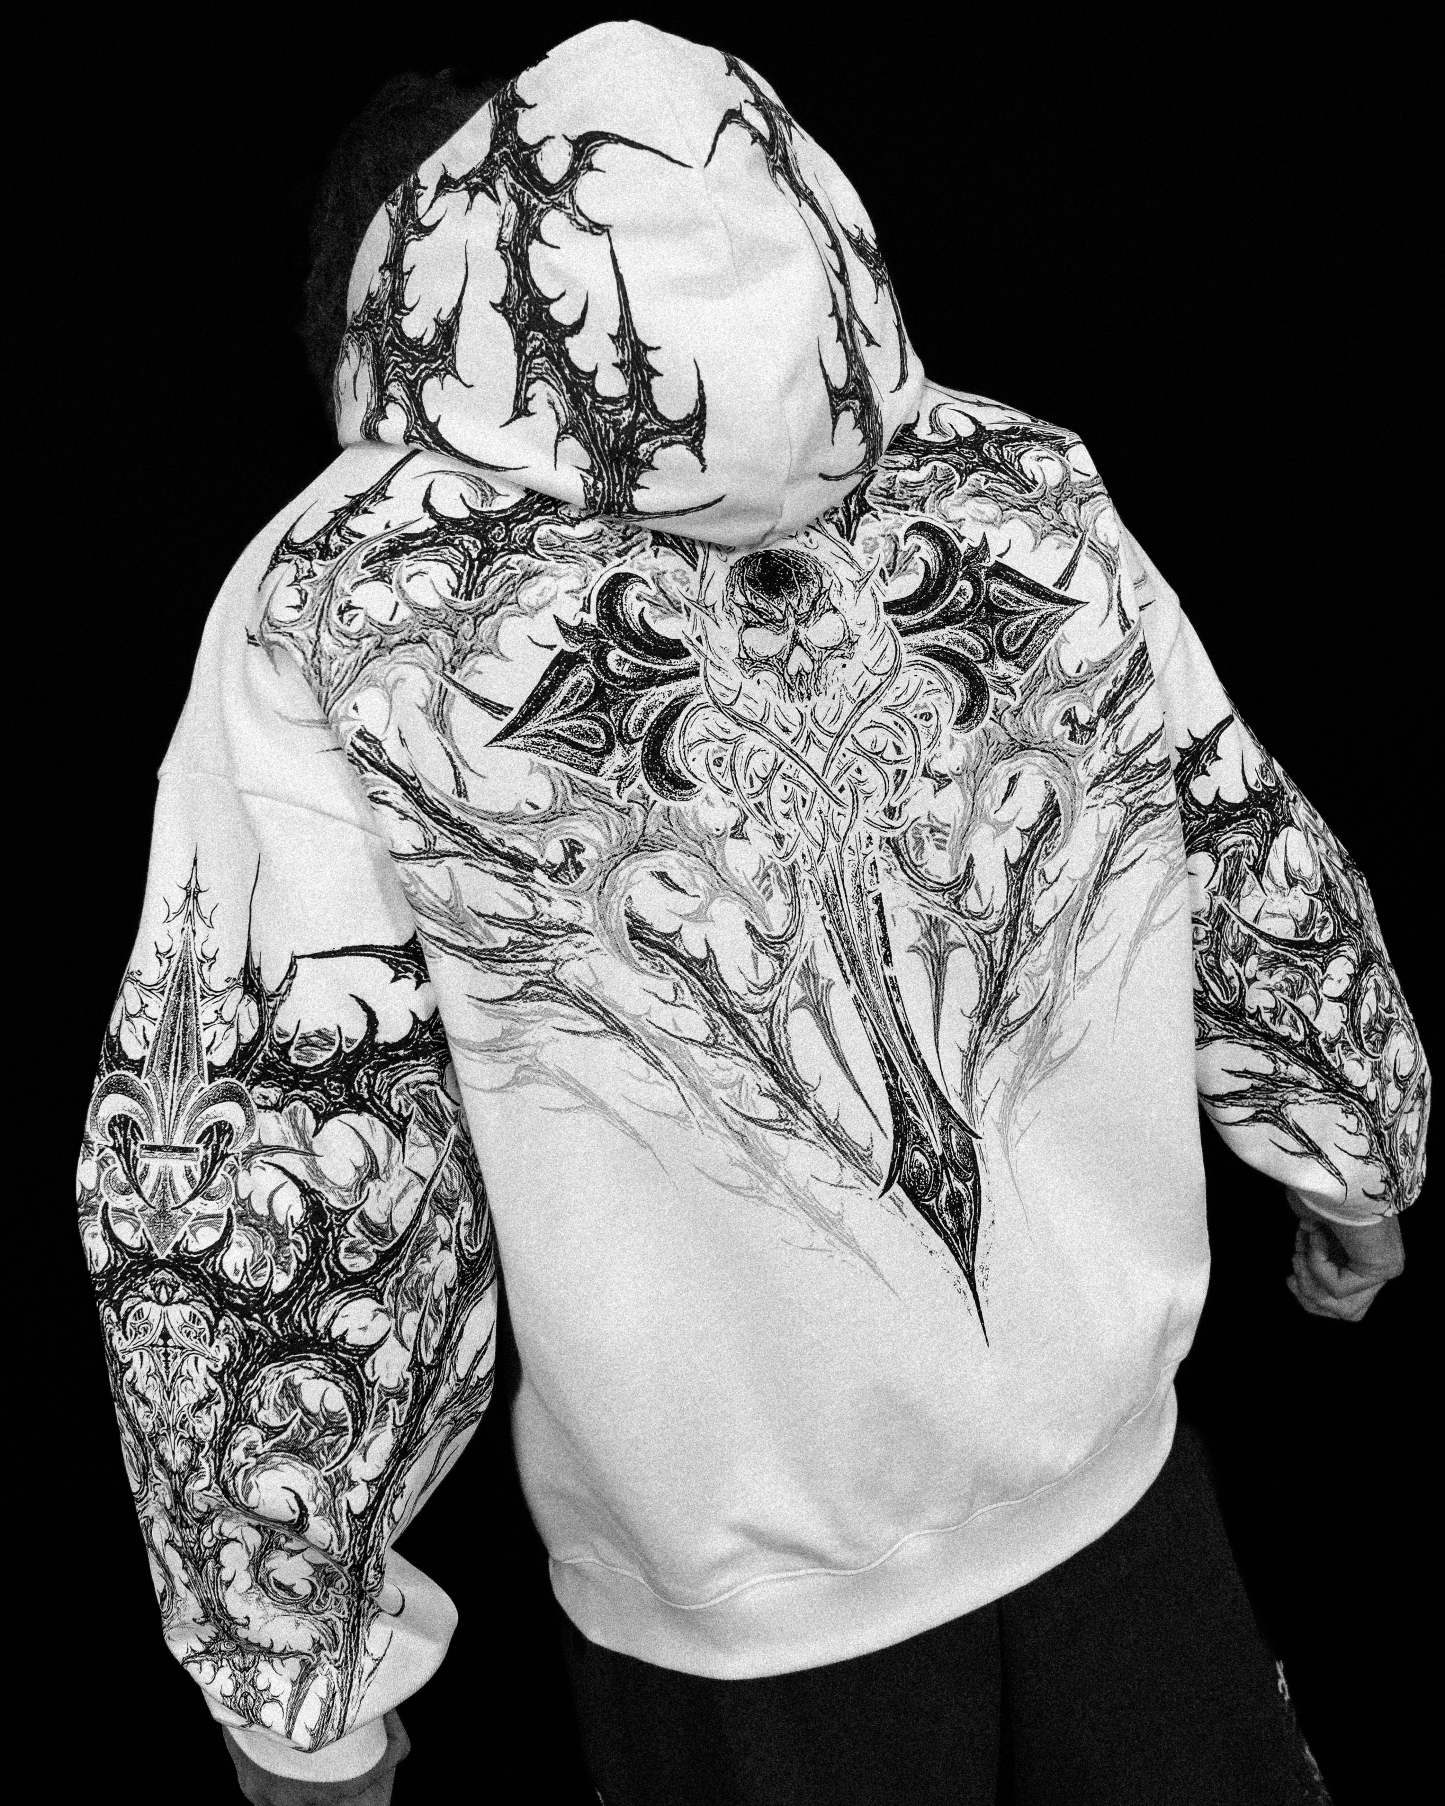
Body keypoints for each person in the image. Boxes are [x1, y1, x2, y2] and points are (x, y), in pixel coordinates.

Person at [74, 23, 1427, 1806]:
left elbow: (269, 1151)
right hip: (1123, 1507)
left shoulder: (337, 614)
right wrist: (1347, 1148)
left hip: (741, 1644)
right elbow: (1235, 830)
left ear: (393, 301)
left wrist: (296, 1681)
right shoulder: (1012, 480)